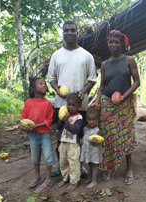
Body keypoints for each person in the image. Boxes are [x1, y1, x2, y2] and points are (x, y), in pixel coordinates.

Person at [89, 30, 140, 184]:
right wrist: (97, 101)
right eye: (111, 42)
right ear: (108, 44)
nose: (113, 45)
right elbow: (102, 86)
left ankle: (129, 168)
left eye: (116, 42)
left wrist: (124, 96)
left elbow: (137, 82)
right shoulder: (105, 64)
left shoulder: (129, 60)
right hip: (107, 104)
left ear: (121, 44)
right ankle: (109, 167)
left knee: (126, 136)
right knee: (108, 136)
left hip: (123, 105)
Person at [48, 20, 97, 177]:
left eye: (72, 30)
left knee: (78, 137)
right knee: (61, 136)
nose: (69, 32)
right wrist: (58, 90)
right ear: (63, 32)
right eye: (66, 30)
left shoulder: (86, 56)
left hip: (80, 106)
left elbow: (92, 79)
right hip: (61, 104)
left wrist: (83, 91)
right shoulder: (56, 55)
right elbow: (51, 78)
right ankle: (61, 166)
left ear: (77, 33)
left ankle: (79, 165)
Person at [20, 77, 54, 193]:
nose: (44, 85)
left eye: (44, 84)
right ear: (33, 88)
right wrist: (23, 127)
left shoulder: (47, 103)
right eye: (40, 84)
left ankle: (48, 180)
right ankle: (37, 177)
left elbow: (49, 120)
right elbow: (23, 118)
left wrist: (36, 126)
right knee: (35, 156)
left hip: (44, 134)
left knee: (48, 156)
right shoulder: (28, 103)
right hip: (32, 135)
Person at [57, 93, 84, 191]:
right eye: (69, 104)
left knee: (73, 163)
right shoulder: (64, 115)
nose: (70, 107)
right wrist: (60, 121)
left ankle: (74, 181)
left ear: (79, 106)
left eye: (73, 105)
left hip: (73, 144)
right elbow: (58, 128)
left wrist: (66, 121)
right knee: (63, 162)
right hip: (63, 143)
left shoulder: (79, 118)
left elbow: (75, 130)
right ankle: (65, 178)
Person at [80, 107, 102, 188]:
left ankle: (94, 181)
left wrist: (96, 140)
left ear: (97, 120)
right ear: (86, 119)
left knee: (94, 165)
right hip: (88, 151)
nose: (91, 122)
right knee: (89, 164)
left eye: (94, 120)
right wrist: (81, 139)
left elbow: (100, 140)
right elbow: (83, 137)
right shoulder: (85, 129)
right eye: (89, 120)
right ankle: (91, 178)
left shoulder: (98, 130)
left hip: (94, 152)